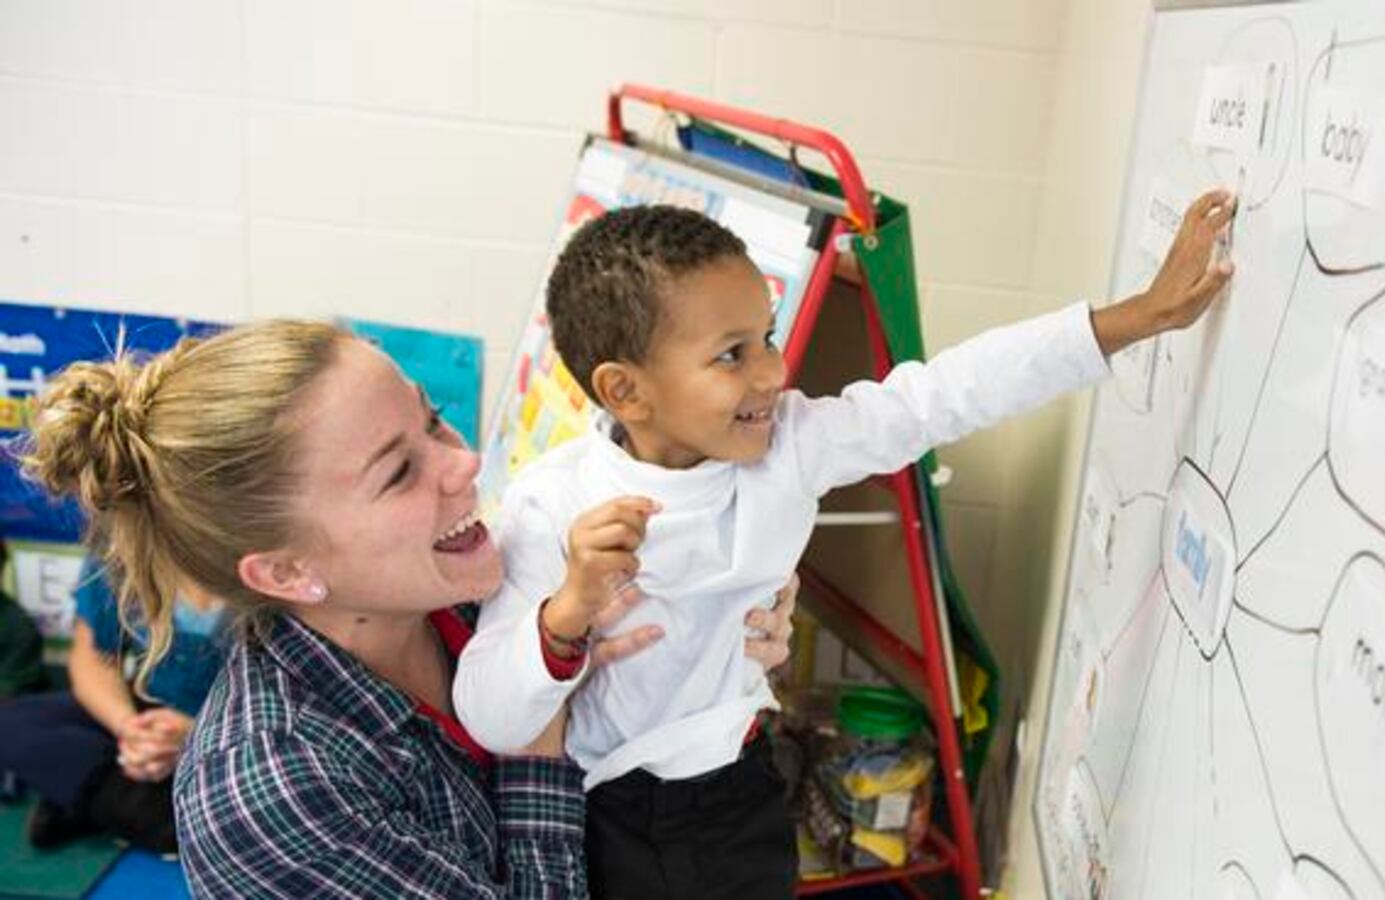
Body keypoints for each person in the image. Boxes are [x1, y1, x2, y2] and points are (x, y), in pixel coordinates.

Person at [453, 192, 1237, 898]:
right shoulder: (552, 502)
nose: (771, 373)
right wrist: (565, 616)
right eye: (732, 355)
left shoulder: (788, 444)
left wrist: (1136, 318)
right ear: (626, 390)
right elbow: (490, 713)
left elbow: (940, 396)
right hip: (616, 819)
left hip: (742, 790)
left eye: (765, 337)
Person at [20, 320, 797, 898]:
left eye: (430, 421)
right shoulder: (274, 791)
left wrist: (726, 631)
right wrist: (538, 731)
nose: (463, 463)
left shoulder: (479, 579)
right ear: (289, 571)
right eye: (399, 473)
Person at [0, 556, 226, 852]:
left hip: (243, 725)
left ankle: (101, 802)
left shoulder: (274, 542)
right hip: (150, 712)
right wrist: (129, 729)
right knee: (13, 723)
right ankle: (154, 813)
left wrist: (197, 732)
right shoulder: (115, 546)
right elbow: (95, 660)